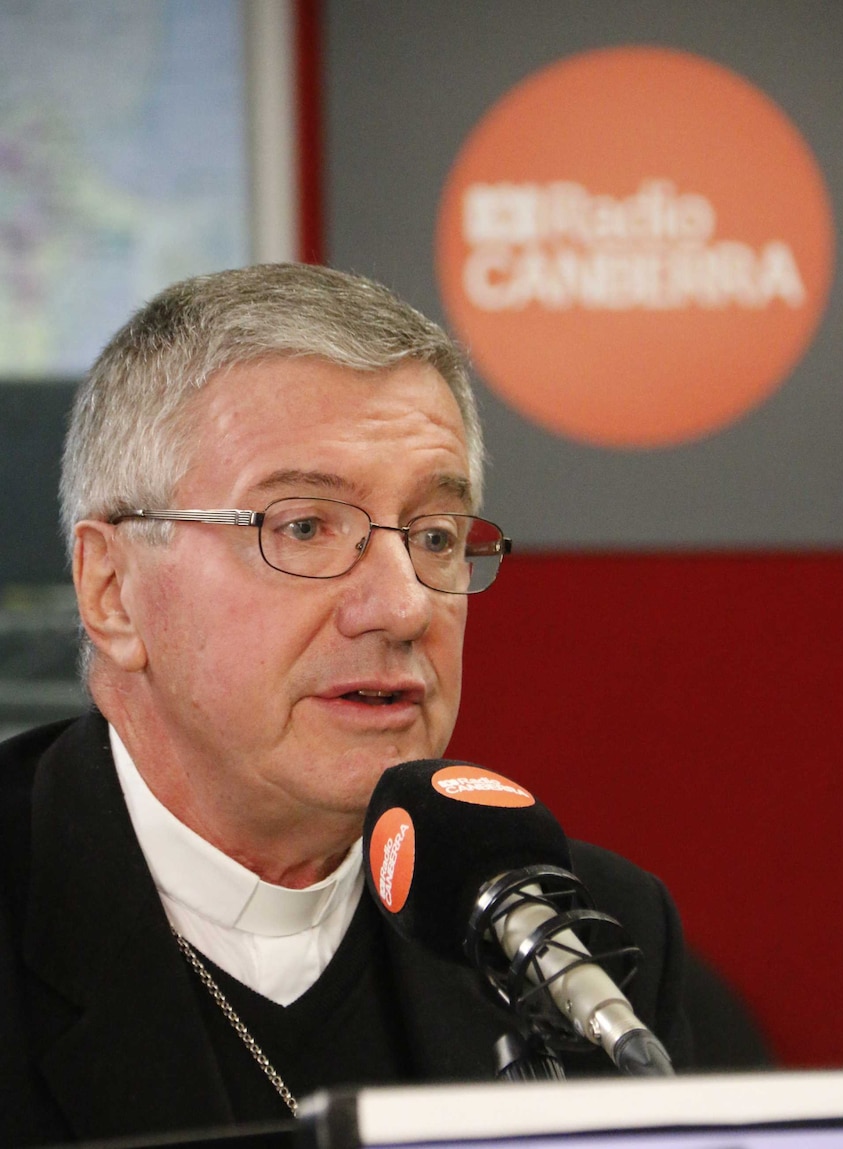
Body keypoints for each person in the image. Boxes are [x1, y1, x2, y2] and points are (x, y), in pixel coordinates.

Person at [0, 264, 691, 1147]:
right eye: (303, 527)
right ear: (112, 590)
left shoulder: (584, 937)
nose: (403, 606)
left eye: (435, 536)